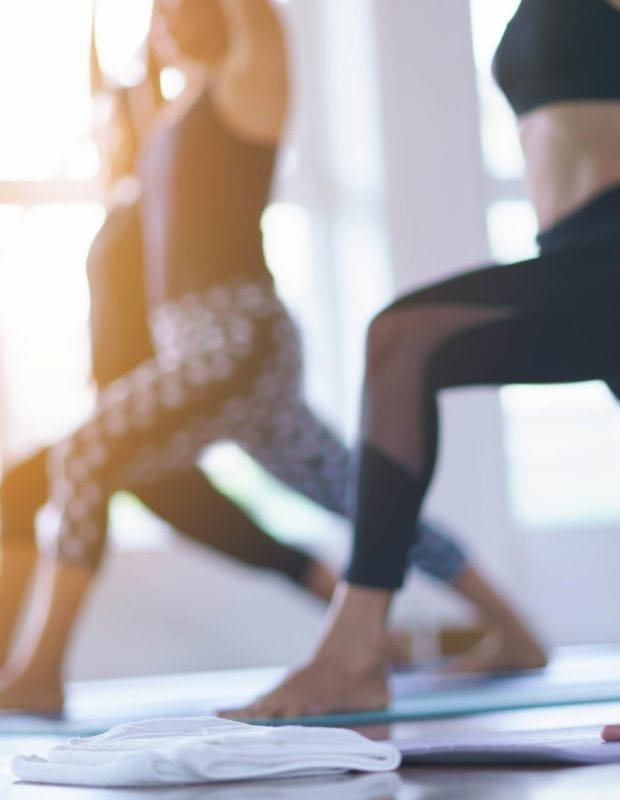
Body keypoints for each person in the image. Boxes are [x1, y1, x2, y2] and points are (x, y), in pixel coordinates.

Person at [0, 0, 544, 712]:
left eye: (177, 8)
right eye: (156, 15)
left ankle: (37, 676)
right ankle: (515, 630)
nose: (164, 23)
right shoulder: (170, 112)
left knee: (85, 455)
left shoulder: (246, 83)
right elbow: (118, 84)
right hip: (213, 352)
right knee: (360, 494)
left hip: (235, 339)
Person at [227, 0, 620, 720]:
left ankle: (351, 654)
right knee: (404, 346)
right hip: (572, 257)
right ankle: (355, 655)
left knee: (402, 340)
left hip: (609, 249)